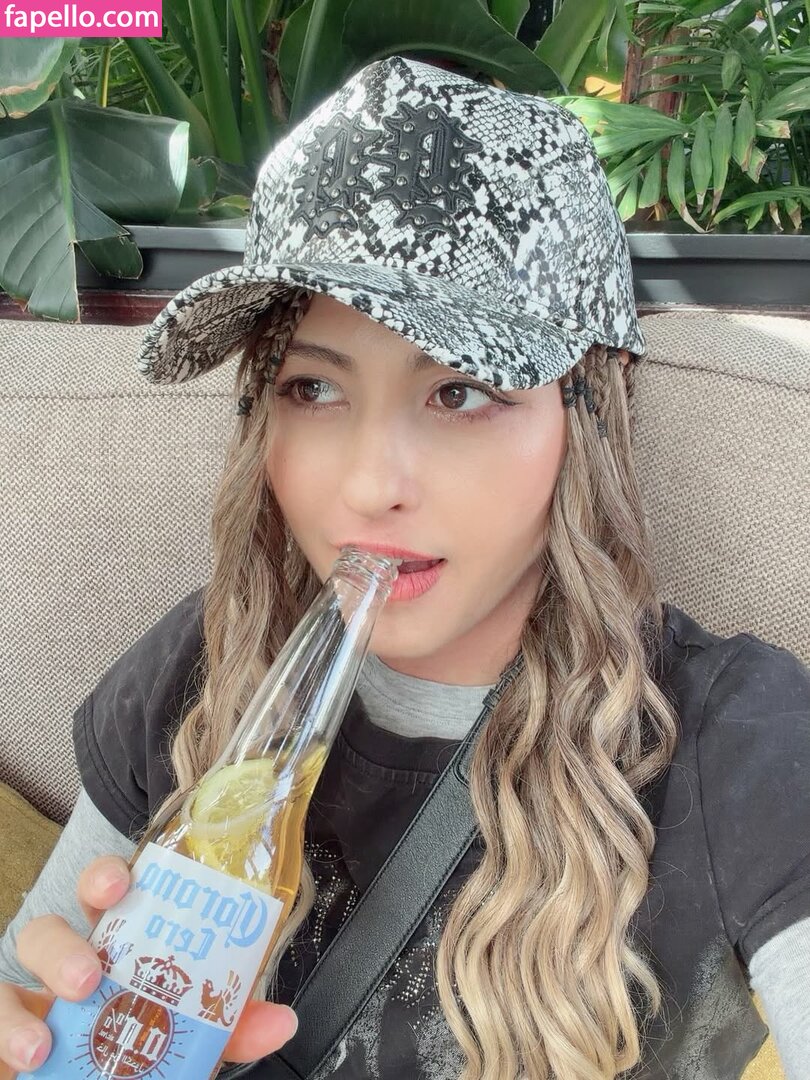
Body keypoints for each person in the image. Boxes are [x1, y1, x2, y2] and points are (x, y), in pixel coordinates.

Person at [1, 53, 809, 1080]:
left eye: (460, 392)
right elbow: (33, 992)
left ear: (588, 420)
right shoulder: (201, 668)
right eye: (312, 389)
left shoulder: (738, 746)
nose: (369, 486)